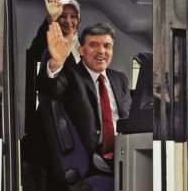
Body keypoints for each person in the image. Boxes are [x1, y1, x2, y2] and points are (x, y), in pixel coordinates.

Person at [37, 22, 132, 172]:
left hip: (123, 153)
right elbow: (49, 88)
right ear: (81, 50)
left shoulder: (120, 79)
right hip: (89, 159)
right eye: (94, 45)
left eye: (107, 46)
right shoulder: (70, 75)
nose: (101, 51)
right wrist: (56, 63)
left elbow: (129, 118)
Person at [29, 0, 82, 66]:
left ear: (79, 22)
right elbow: (34, 55)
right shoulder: (45, 42)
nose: (68, 21)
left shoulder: (86, 44)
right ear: (56, 20)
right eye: (63, 16)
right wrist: (51, 19)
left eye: (73, 16)